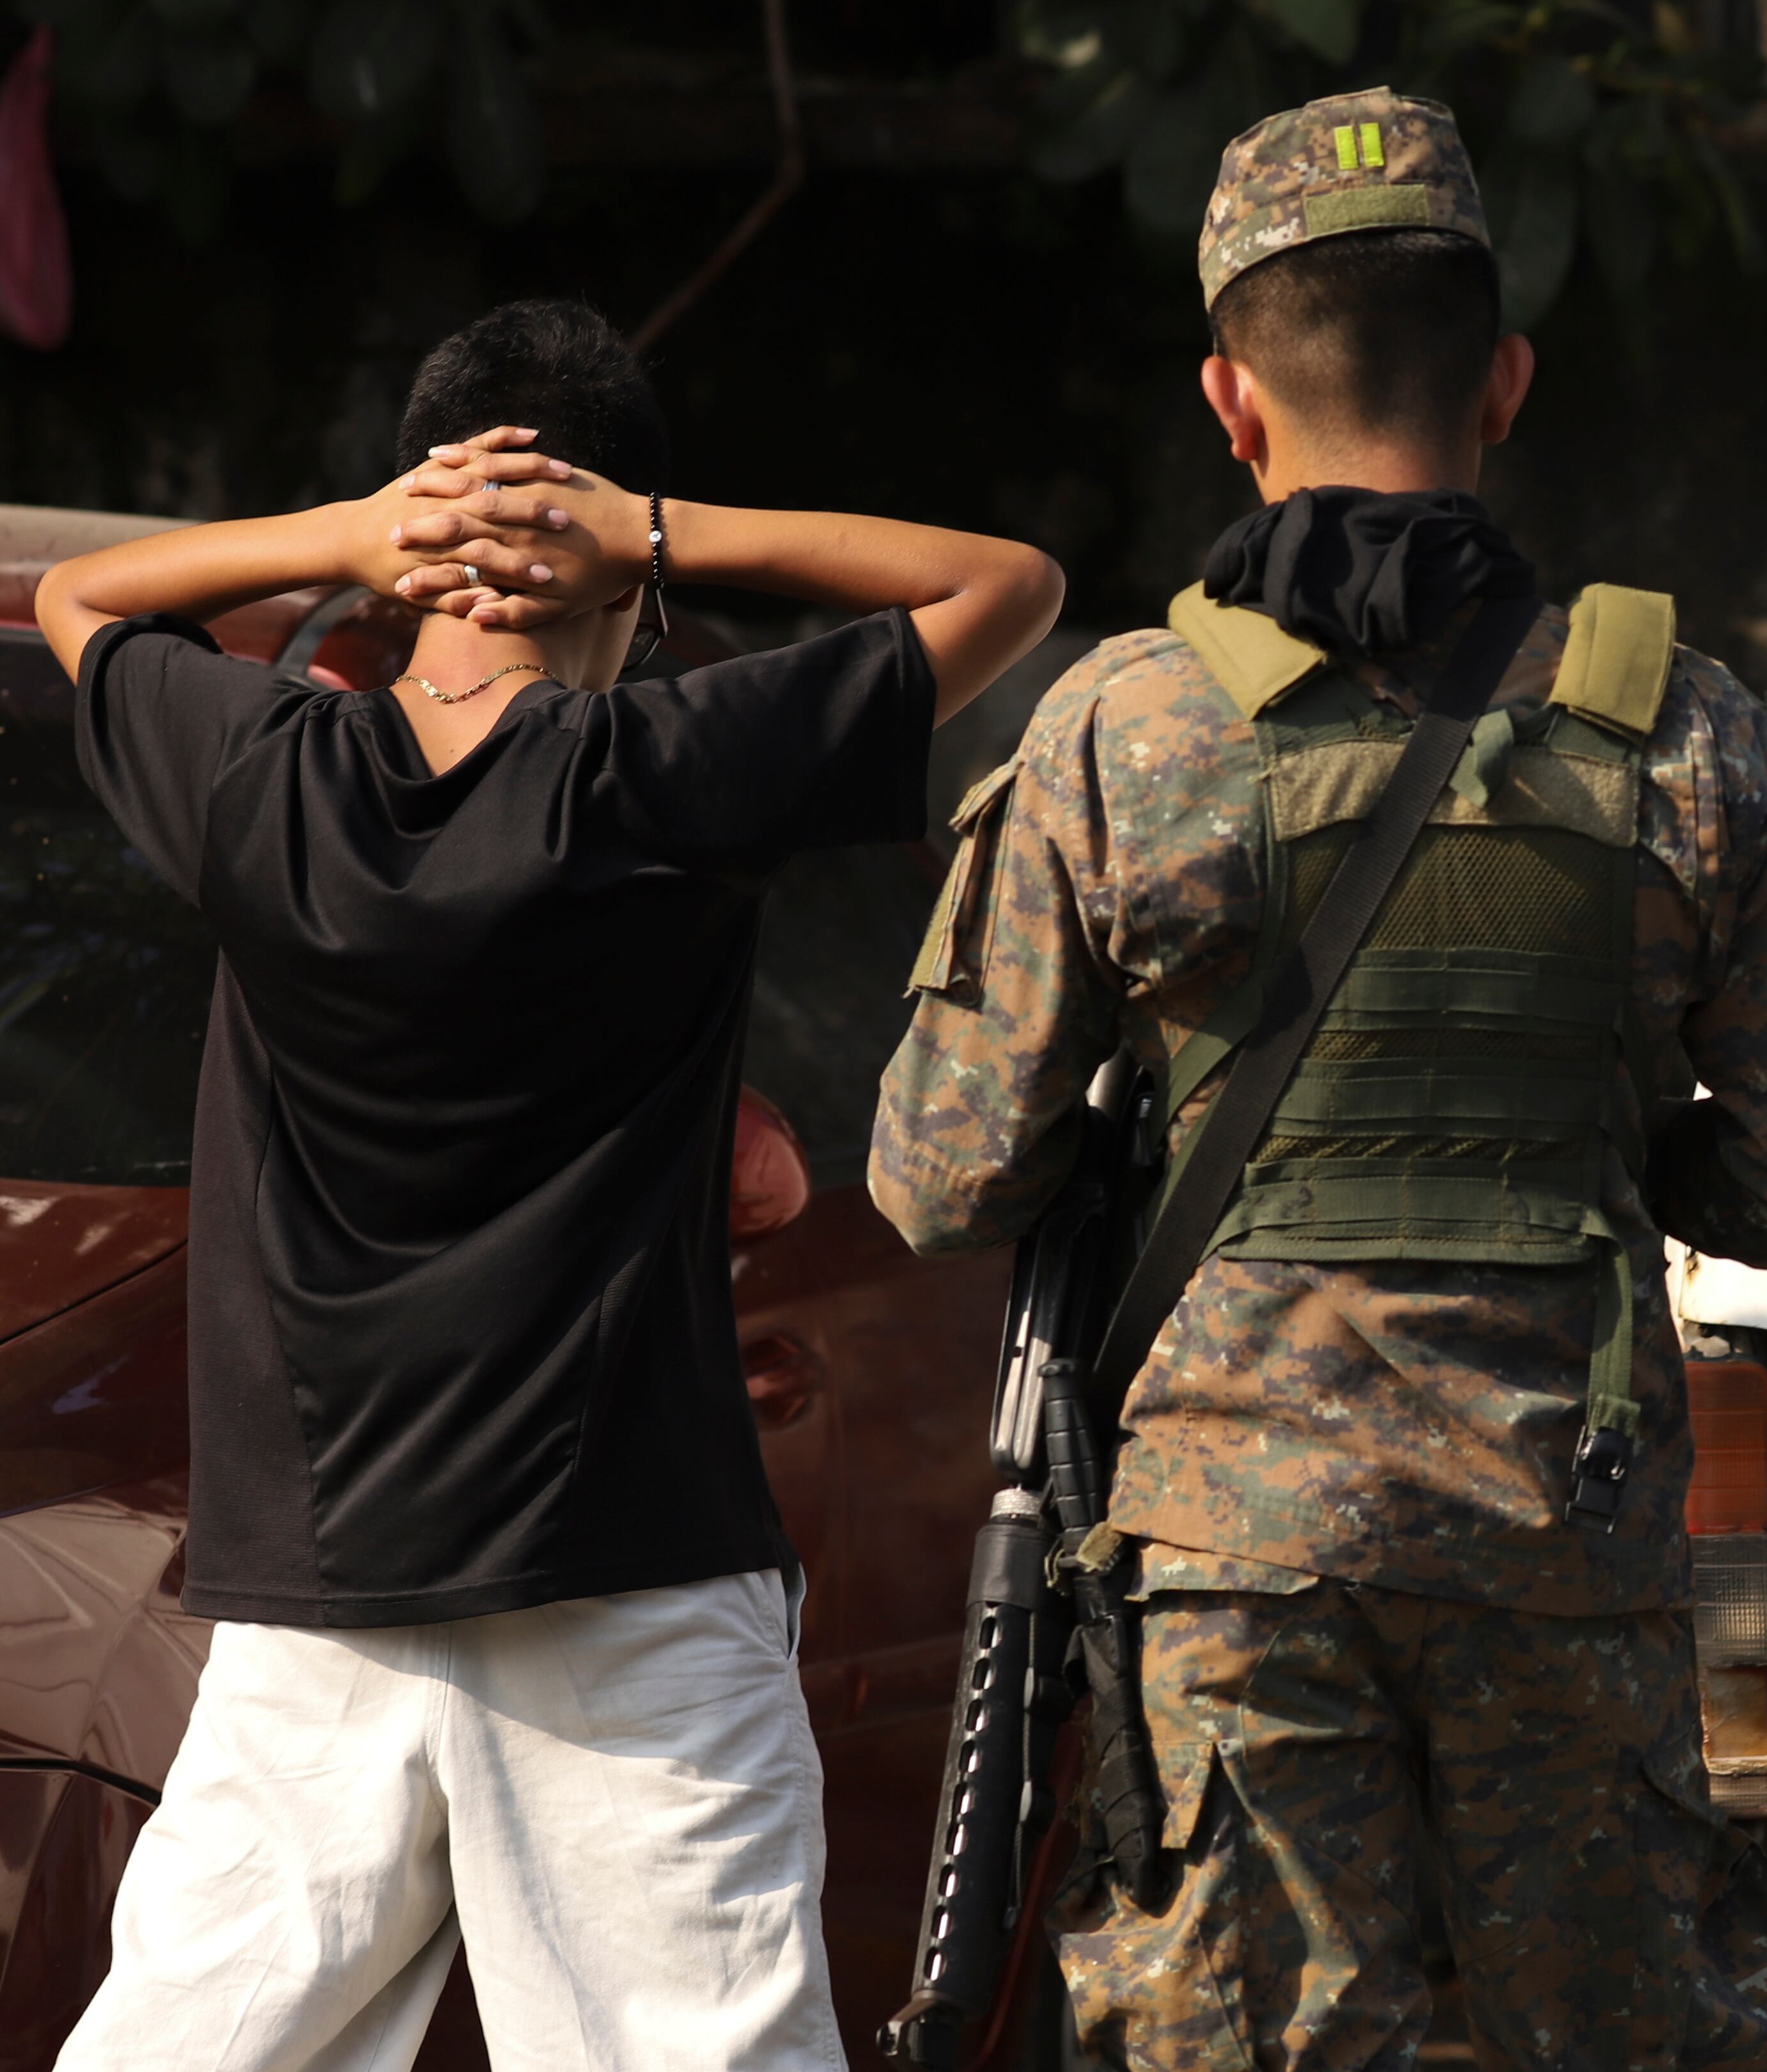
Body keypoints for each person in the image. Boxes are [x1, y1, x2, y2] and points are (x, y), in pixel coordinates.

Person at [871, 88, 1767, 2071]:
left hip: (1230, 1546)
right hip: (1560, 1514)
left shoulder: (1121, 729)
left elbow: (936, 1180)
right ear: (1503, 381)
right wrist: (1605, 1144)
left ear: (1228, 404)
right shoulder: (1681, 730)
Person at [40, 297, 1064, 2071]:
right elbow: (1005, 586)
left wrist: (354, 534)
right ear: (631, 584)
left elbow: (81, 601)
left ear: (418, 550)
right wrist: (653, 531)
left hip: (314, 1592)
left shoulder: (256, 778)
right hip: (624, 1579)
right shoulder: (669, 776)